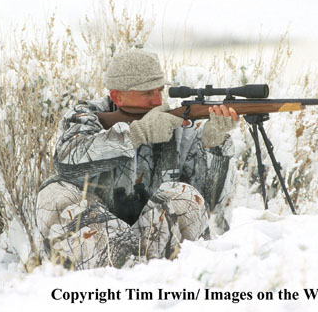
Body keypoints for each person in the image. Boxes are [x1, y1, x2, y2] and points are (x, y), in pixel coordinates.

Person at [36, 50, 238, 269]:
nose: (158, 100)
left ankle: (149, 273)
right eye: (147, 93)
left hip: (159, 247)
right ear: (117, 97)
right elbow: (67, 162)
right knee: (53, 194)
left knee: (185, 196)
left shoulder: (179, 124)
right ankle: (120, 270)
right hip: (99, 245)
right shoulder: (86, 117)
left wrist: (214, 145)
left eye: (160, 90)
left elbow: (210, 201)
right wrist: (135, 135)